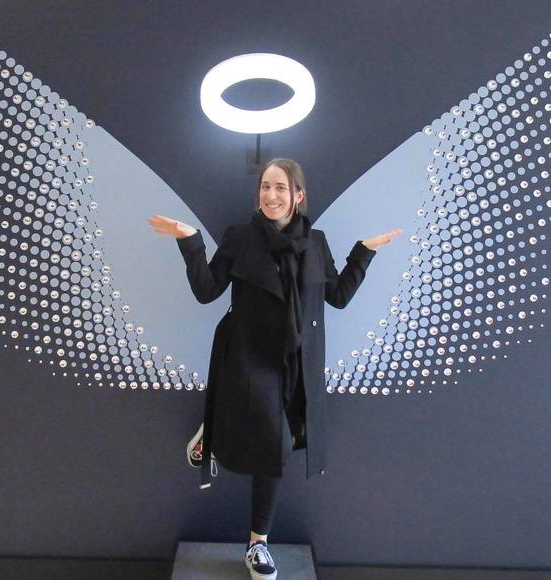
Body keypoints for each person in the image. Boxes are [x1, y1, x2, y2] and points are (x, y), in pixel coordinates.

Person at [148, 158, 402, 579]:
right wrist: (190, 241)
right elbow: (207, 291)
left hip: (295, 363)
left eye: (280, 188)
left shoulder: (316, 242)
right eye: (265, 186)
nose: (270, 195)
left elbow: (338, 297)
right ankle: (258, 542)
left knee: (277, 448)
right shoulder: (240, 237)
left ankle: (219, 444)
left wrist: (364, 251)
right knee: (276, 446)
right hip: (248, 358)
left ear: (298, 195)